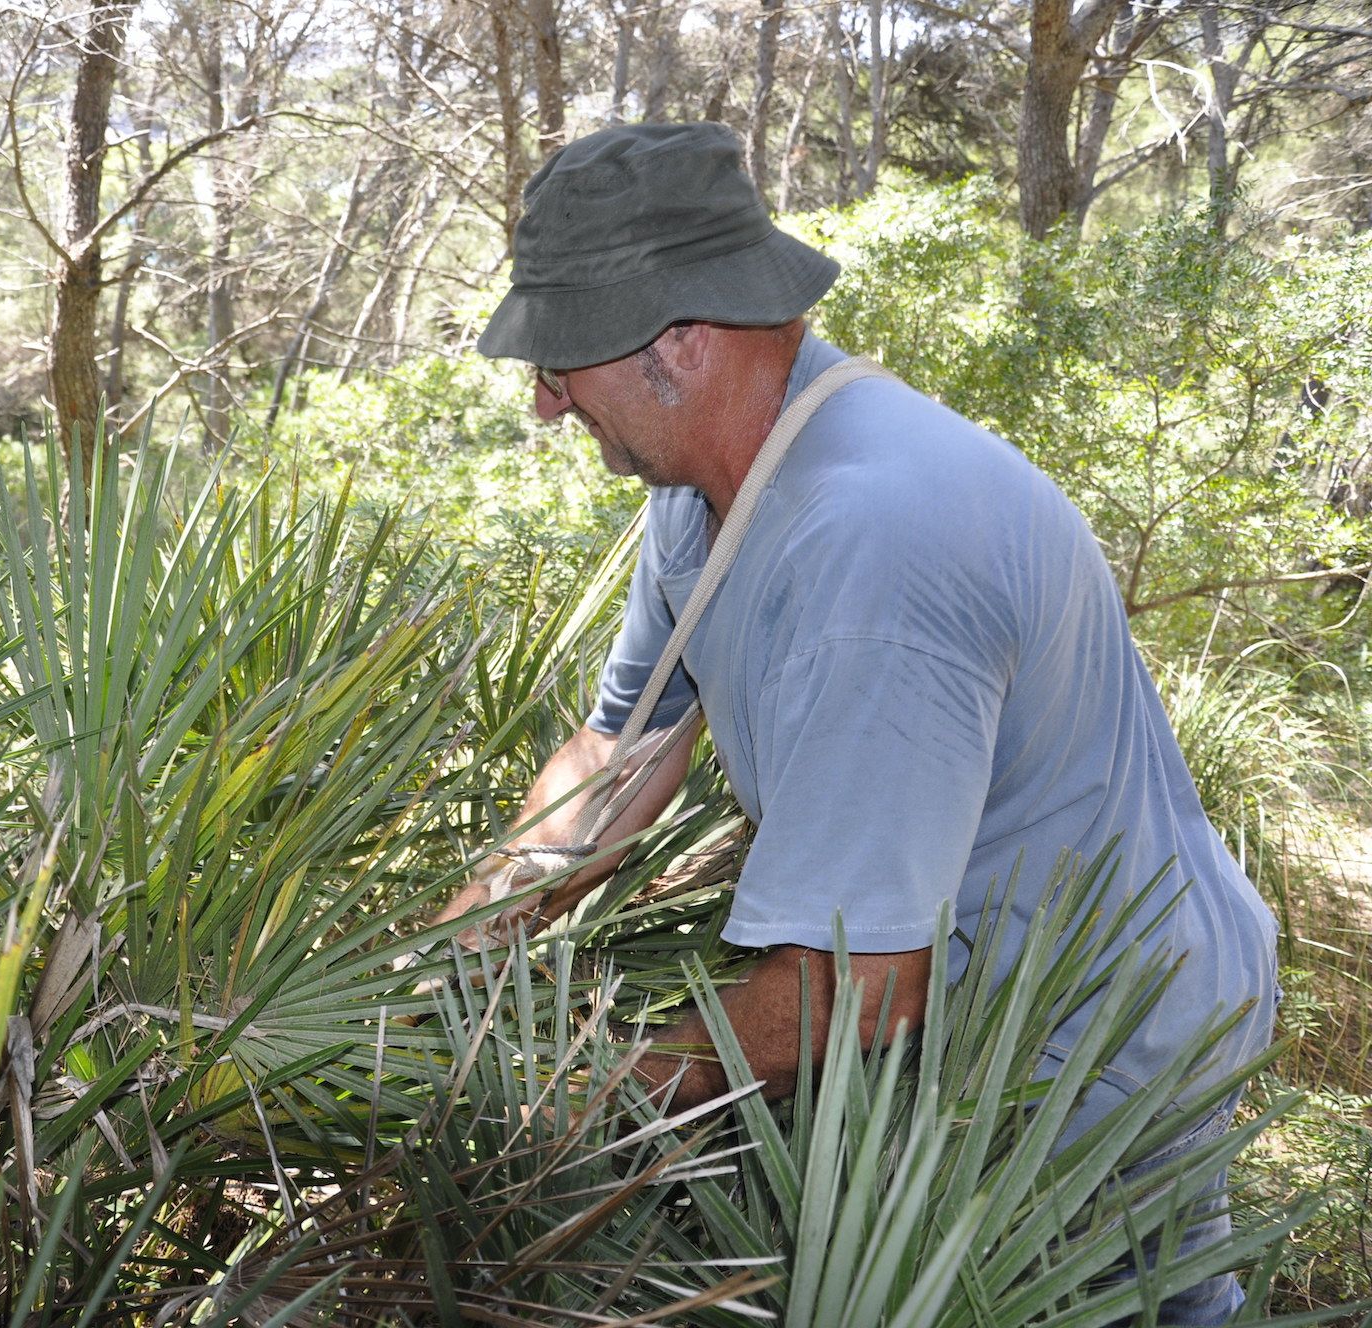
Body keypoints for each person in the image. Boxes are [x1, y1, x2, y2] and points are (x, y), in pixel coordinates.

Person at [428, 122, 1280, 1325]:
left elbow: (862, 980)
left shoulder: (870, 544)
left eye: (560, 360)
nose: (543, 401)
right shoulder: (702, 497)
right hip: (963, 994)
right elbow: (615, 757)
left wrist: (601, 1091)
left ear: (677, 344)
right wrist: (439, 959)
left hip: (1102, 1029)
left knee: (1133, 1301)